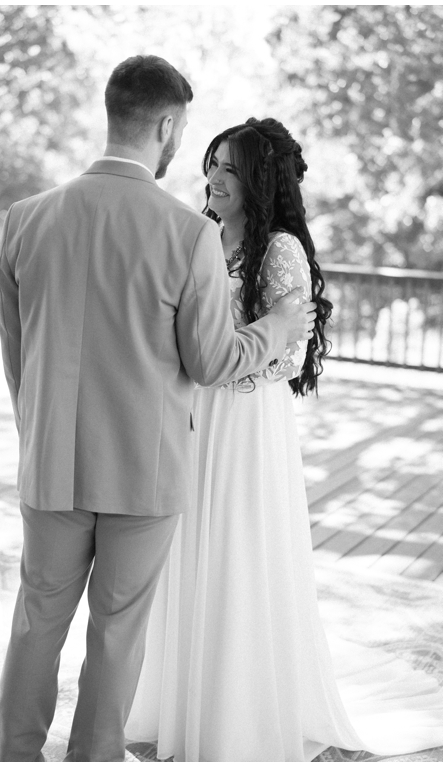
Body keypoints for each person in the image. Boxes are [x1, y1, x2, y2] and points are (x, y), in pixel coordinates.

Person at [0, 57, 316, 761]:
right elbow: (212, 361)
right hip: (145, 470)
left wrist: (39, 434)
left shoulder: (23, 221)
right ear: (166, 125)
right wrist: (278, 331)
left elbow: (18, 359)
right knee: (117, 630)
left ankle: (11, 753)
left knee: (35, 620)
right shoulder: (189, 233)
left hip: (47, 462)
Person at [126, 118, 443, 760]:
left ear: (260, 180)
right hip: (189, 416)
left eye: (231, 168)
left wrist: (218, 363)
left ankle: (236, 710)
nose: (214, 177)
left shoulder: (280, 253)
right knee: (185, 550)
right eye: (212, 163)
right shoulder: (198, 235)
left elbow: (289, 358)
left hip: (245, 423)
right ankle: (178, 699)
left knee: (238, 550)